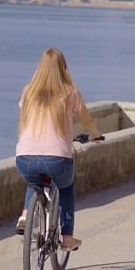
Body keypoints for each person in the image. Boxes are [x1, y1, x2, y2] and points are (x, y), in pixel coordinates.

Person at [15, 48, 103, 251]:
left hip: (24, 157)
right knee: (66, 187)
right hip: (57, 159)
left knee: (34, 182)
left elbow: (24, 122)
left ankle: (26, 215)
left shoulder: (28, 91)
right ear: (63, 68)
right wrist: (95, 134)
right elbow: (87, 119)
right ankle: (67, 237)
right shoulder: (69, 92)